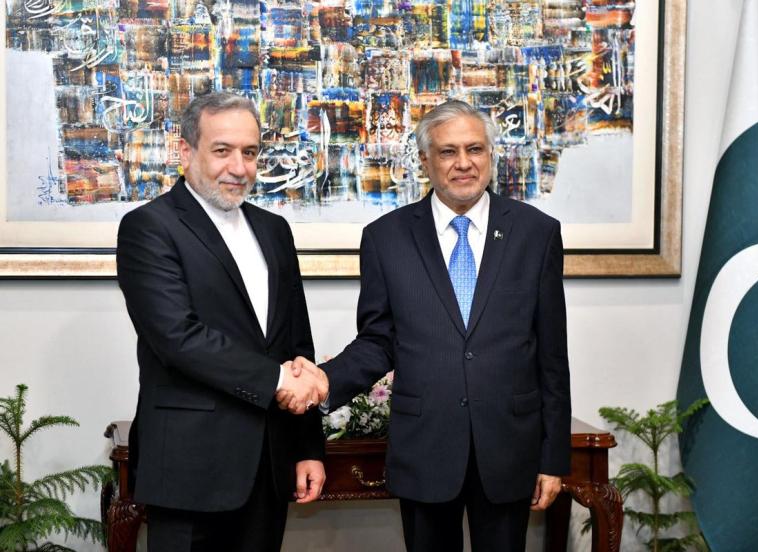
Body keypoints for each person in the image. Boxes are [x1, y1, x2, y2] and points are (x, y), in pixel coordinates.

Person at [281, 99, 571, 551]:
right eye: (448, 151)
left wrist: (552, 458)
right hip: (426, 448)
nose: (463, 163)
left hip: (510, 449)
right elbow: (379, 341)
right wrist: (323, 380)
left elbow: (552, 355)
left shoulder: (537, 232)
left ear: (490, 154)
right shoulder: (385, 237)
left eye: (474, 149)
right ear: (424, 160)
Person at [116, 91, 326, 552]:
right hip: (189, 468)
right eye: (222, 150)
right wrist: (278, 380)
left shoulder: (274, 230)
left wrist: (307, 446)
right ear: (186, 151)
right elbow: (177, 337)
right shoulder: (149, 227)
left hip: (269, 465)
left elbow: (296, 343)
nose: (239, 167)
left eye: (249, 152)